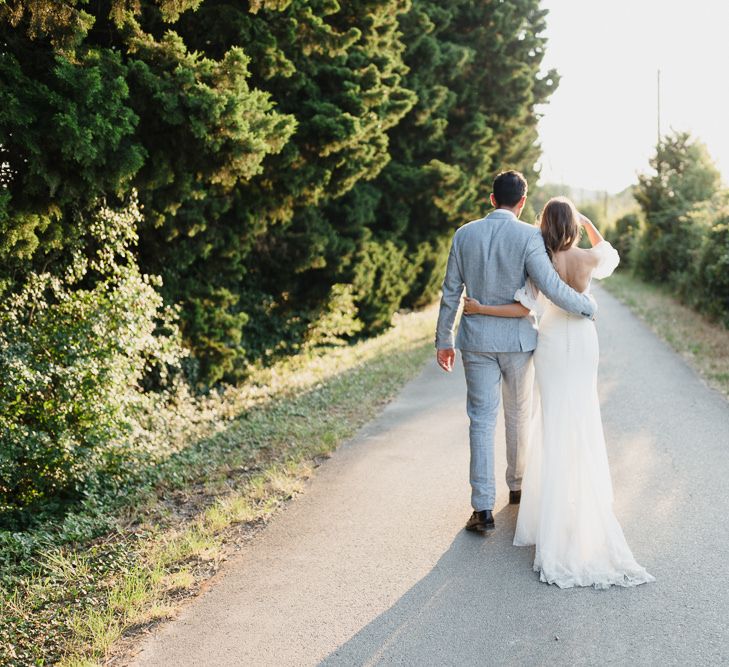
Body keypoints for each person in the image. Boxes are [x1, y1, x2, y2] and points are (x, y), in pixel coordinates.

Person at [463, 196, 654, 589]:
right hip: (583, 341)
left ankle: (548, 505)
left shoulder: (541, 258)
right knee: (582, 417)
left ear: (544, 223)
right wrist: (587, 225)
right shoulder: (587, 258)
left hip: (550, 342)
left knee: (551, 422)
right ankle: (581, 504)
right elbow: (611, 255)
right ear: (573, 224)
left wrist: (480, 308)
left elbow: (523, 306)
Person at [434, 171, 596, 535]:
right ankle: (518, 486)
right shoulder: (528, 236)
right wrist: (585, 307)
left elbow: (449, 291)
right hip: (519, 343)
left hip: (475, 342)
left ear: (492, 199)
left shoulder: (464, 234)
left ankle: (482, 509)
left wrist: (444, 339)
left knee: (481, 420)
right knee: (518, 415)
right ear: (522, 202)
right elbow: (552, 287)